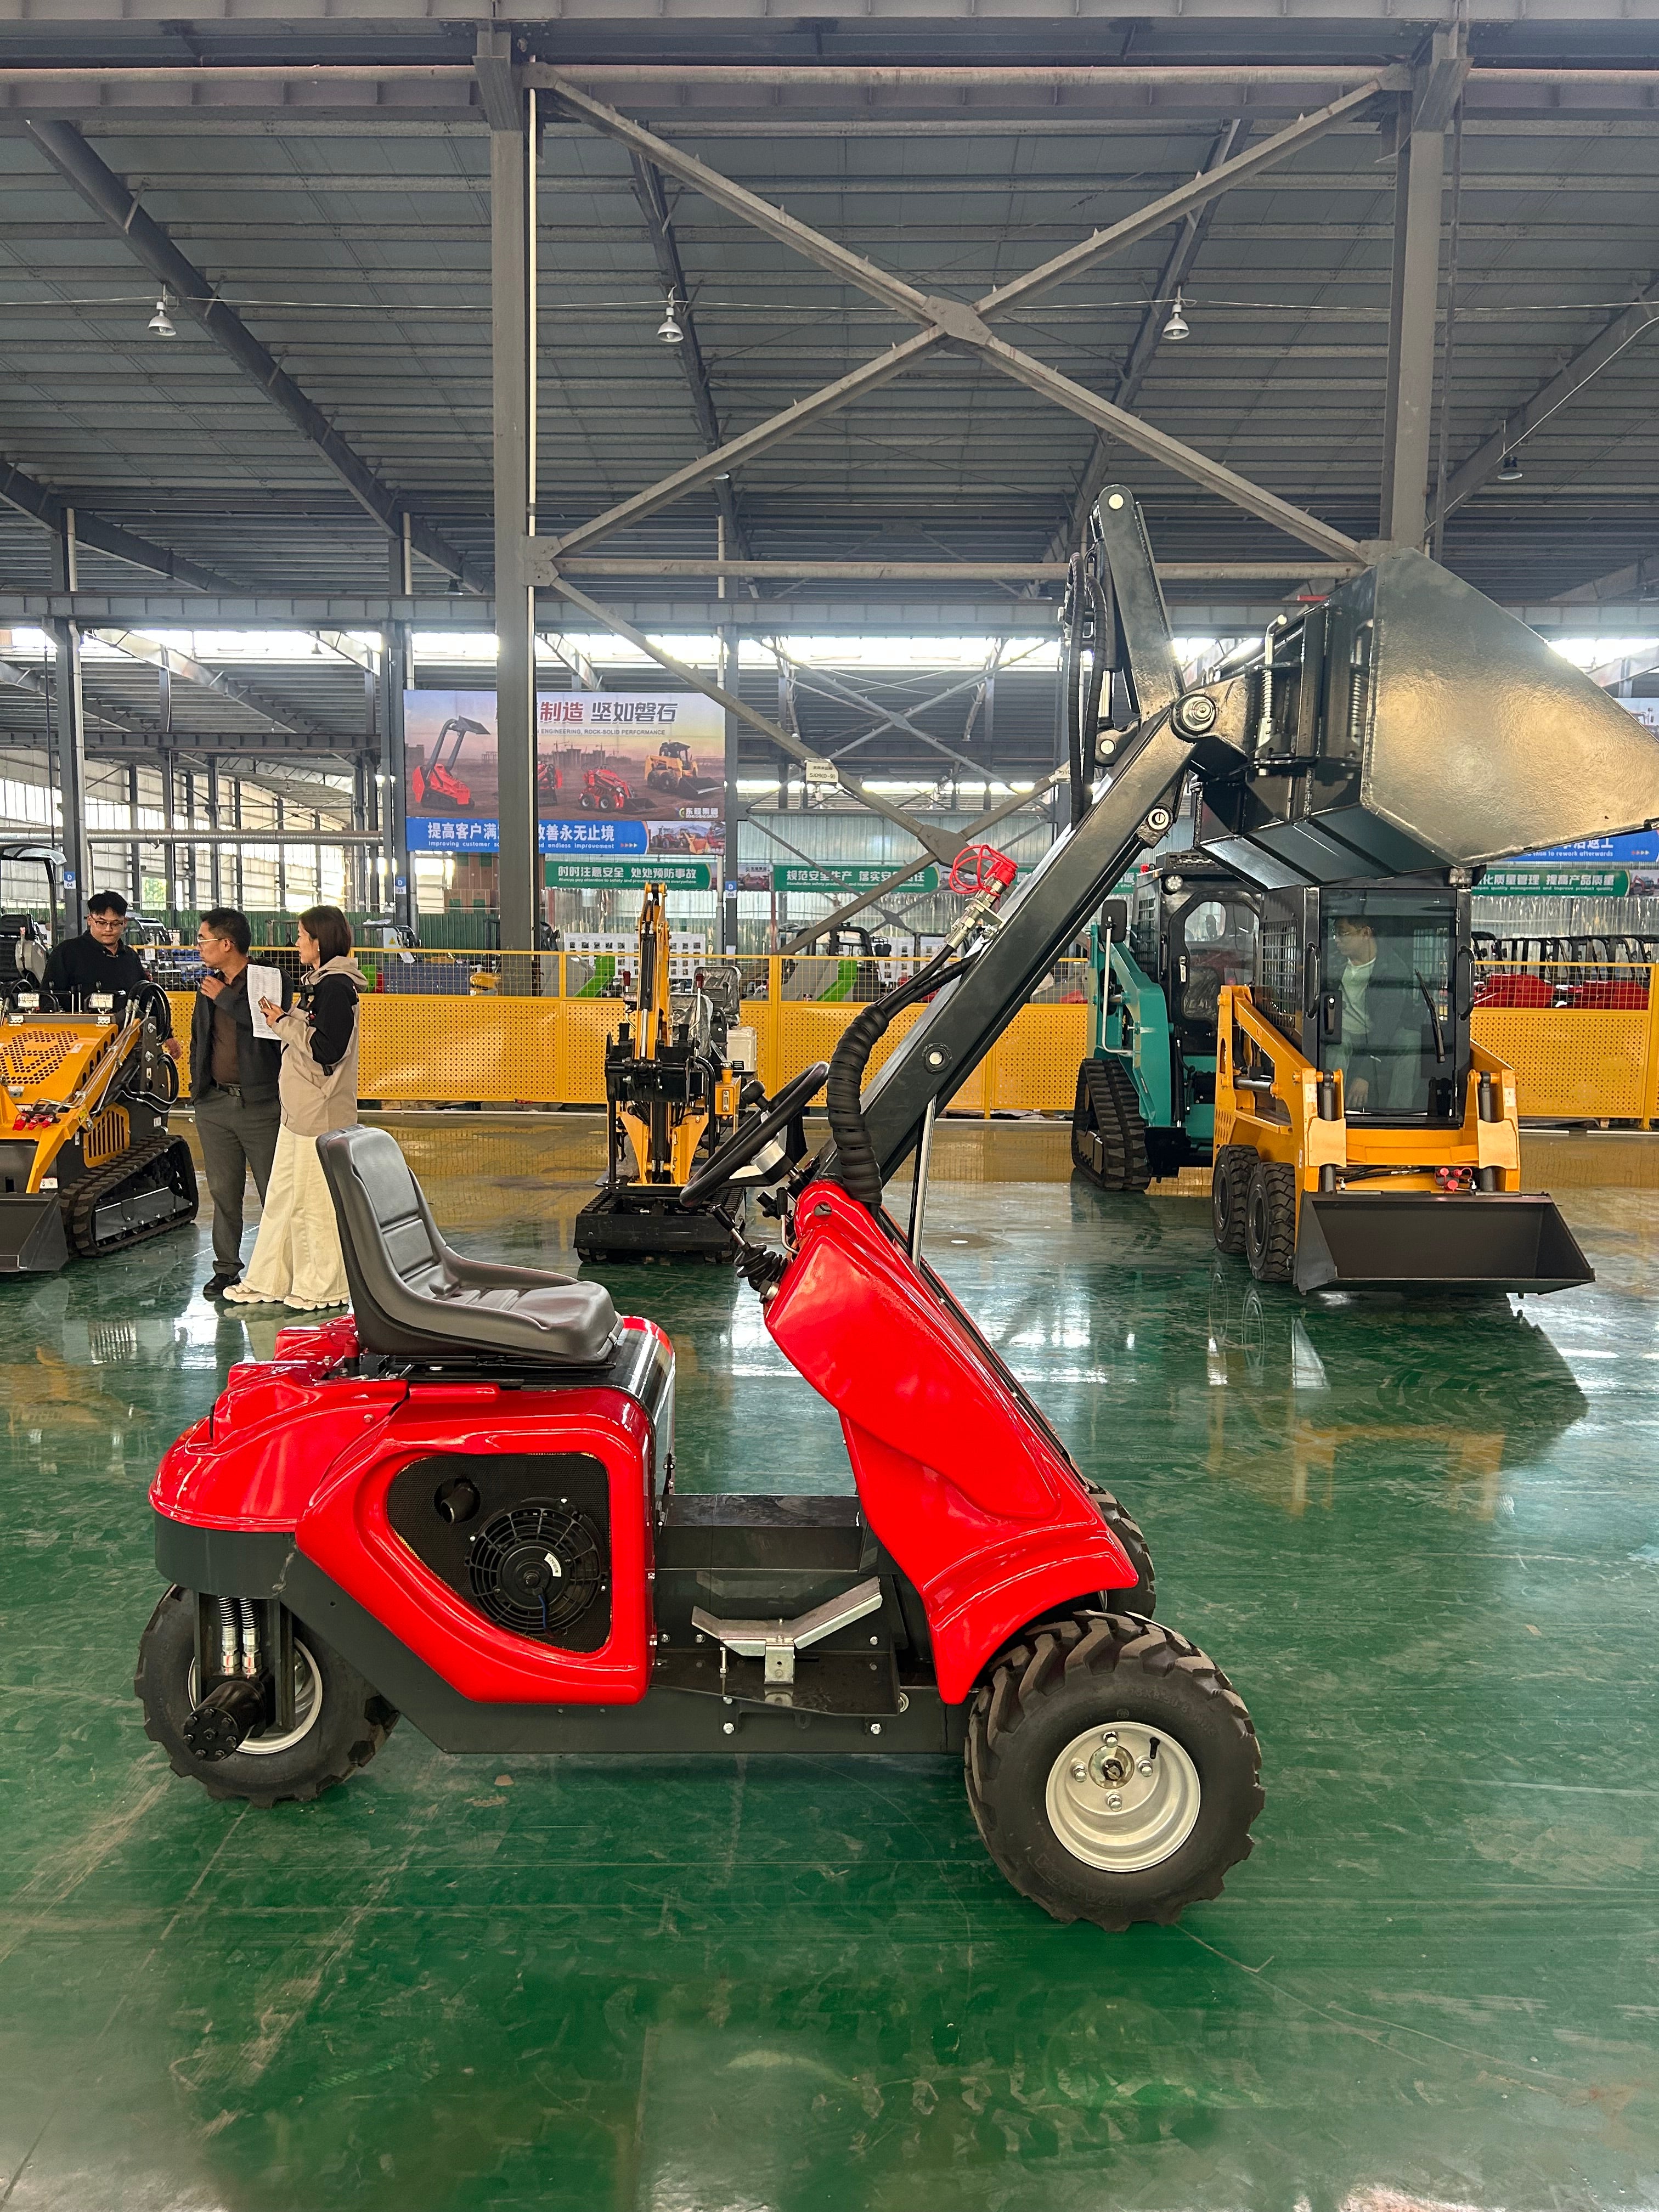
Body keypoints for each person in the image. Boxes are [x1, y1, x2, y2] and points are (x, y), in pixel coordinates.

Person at [224, 906, 369, 1312]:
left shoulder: (337, 986)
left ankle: (323, 1286)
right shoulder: (321, 984)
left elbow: (328, 1049)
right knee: (283, 1199)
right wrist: (287, 1017)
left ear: (320, 940)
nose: (297, 942)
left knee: (313, 1205)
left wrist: (283, 1023)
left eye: (303, 935)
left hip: (319, 1115)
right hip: (299, 1111)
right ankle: (270, 1278)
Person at [191, 907, 290, 1300]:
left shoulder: (269, 977)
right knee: (223, 1190)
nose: (199, 946)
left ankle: (280, 1269)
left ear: (227, 943)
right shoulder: (210, 983)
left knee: (273, 1191)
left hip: (259, 1104)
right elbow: (201, 1038)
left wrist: (227, 999)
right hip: (214, 1104)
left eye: (204, 940)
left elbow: (270, 1028)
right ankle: (227, 1268)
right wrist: (198, 1090)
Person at [42, 890, 180, 1059]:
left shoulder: (130, 957)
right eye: (101, 923)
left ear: (125, 923)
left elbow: (147, 996)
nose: (108, 929)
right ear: (90, 920)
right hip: (81, 1045)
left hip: (129, 1045)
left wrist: (168, 1035)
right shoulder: (67, 954)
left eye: (116, 924)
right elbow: (48, 1000)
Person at [1330, 912, 1424, 1114]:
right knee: (1337, 1043)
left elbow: (1384, 1027)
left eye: (1343, 934)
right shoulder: (1331, 963)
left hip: (1378, 1033)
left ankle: (1398, 1116)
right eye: (1335, 934)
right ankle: (1333, 1111)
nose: (1337, 940)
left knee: (1411, 1040)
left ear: (1365, 934)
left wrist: (1365, 1075)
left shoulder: (1393, 969)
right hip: (1343, 1031)